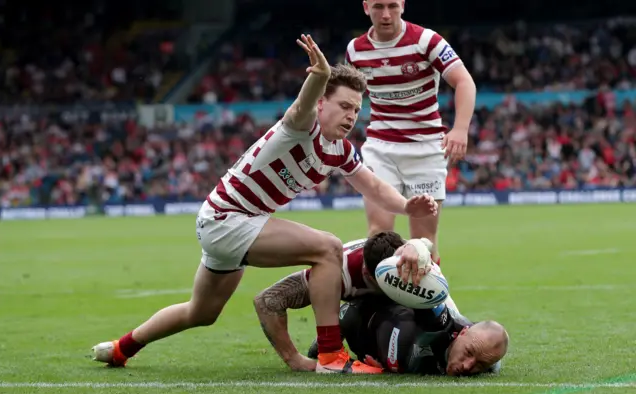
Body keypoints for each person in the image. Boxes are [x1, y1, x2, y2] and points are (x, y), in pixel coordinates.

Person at [91, 35, 438, 374]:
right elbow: (302, 107)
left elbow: (374, 186)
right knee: (328, 248)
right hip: (229, 219)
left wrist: (408, 207)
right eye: (344, 106)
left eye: (357, 110)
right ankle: (331, 356)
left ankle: (121, 349)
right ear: (322, 103)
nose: (351, 116)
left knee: (201, 312)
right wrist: (318, 77)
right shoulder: (302, 128)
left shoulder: (341, 151)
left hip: (230, 224)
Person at [345, 0, 477, 264]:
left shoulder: (427, 40)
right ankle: (377, 305)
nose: (385, 14)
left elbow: (464, 81)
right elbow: (348, 95)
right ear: (365, 7)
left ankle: (429, 305)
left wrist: (461, 129)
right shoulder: (356, 50)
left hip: (426, 150)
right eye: (378, 7)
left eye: (392, 6)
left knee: (423, 243)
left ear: (403, 6)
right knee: (378, 237)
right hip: (380, 148)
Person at [254, 231, 461, 371]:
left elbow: (448, 312)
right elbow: (268, 300)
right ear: (367, 274)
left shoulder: (413, 265)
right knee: (357, 312)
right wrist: (295, 360)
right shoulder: (338, 272)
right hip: (360, 311)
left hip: (396, 312)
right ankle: (335, 333)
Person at [307, 297, 508, 376]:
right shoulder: (439, 322)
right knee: (320, 349)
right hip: (363, 321)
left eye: (479, 365)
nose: (467, 366)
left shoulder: (488, 357)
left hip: (378, 353)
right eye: (468, 353)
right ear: (462, 333)